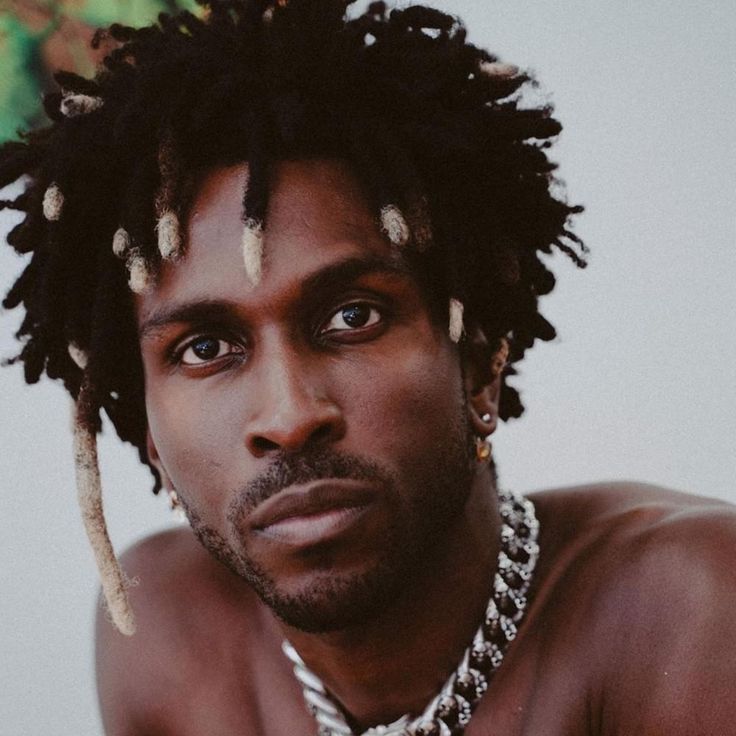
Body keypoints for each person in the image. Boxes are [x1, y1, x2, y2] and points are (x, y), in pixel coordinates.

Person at [2, 1, 735, 734]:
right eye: (204, 349)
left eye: (353, 316)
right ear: (149, 432)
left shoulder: (688, 611)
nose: (289, 417)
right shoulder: (164, 635)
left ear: (478, 361)